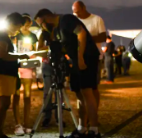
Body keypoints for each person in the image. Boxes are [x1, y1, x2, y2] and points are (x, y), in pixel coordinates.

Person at [35, 9, 101, 138]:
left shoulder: (66, 20)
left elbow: (81, 33)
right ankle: (82, 128)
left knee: (87, 92)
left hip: (87, 57)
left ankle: (94, 129)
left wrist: (80, 57)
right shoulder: (57, 29)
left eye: (41, 23)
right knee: (79, 93)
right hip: (75, 60)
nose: (41, 26)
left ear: (47, 17)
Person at [0, 13, 30, 138]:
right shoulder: (1, 35)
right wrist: (20, 56)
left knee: (5, 103)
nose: (18, 30)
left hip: (7, 73)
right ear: (12, 24)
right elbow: (2, 54)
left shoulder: (5, 36)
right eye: (18, 27)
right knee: (4, 104)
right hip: (3, 74)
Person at [72, 1, 106, 110]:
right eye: (74, 12)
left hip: (94, 56)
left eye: (78, 11)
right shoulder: (74, 21)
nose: (76, 14)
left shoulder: (97, 19)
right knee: (81, 88)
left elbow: (103, 37)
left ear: (84, 8)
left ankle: (94, 114)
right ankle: (85, 116)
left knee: (93, 87)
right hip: (79, 57)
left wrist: (85, 39)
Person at [12, 14, 38, 135]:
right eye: (24, 24)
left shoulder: (33, 36)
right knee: (16, 96)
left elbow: (35, 50)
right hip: (16, 66)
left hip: (28, 66)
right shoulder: (15, 36)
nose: (26, 26)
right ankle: (18, 124)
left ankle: (27, 124)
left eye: (28, 24)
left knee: (27, 96)